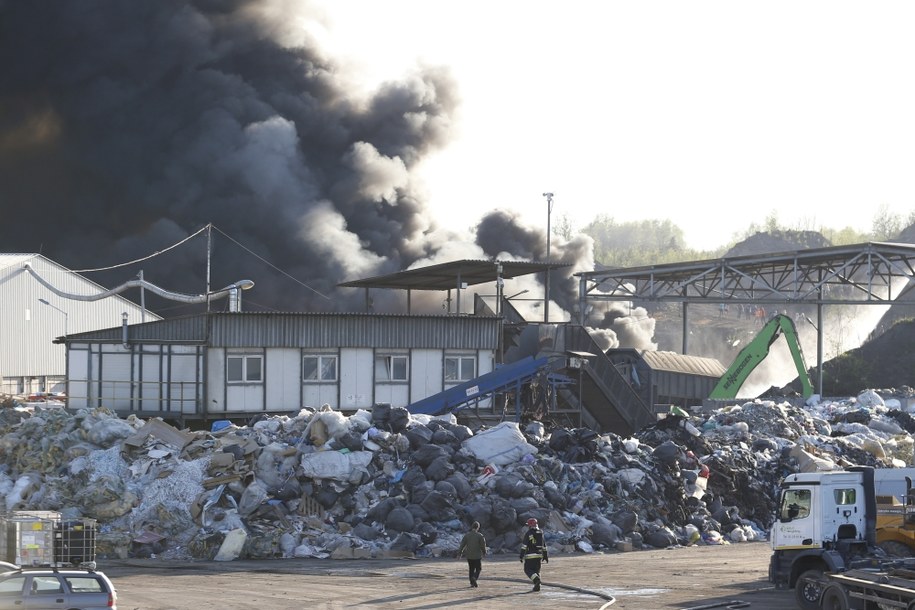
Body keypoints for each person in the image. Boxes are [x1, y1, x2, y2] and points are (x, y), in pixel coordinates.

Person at [519, 517, 548, 592]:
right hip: (539, 556)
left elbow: (524, 546)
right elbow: (544, 545)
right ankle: (537, 586)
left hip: (530, 556)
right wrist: (545, 556)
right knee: (536, 571)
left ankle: (537, 580)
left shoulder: (528, 533)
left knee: (528, 570)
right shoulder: (540, 533)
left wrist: (521, 556)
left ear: (530, 526)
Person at [457, 521, 486, 587]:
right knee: (478, 569)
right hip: (477, 556)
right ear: (478, 527)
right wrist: (484, 552)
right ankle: (474, 578)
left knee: (471, 569)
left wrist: (459, 554)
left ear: (472, 527)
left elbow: (462, 545)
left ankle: (472, 583)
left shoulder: (467, 535)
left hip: (469, 555)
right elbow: (483, 545)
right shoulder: (480, 536)